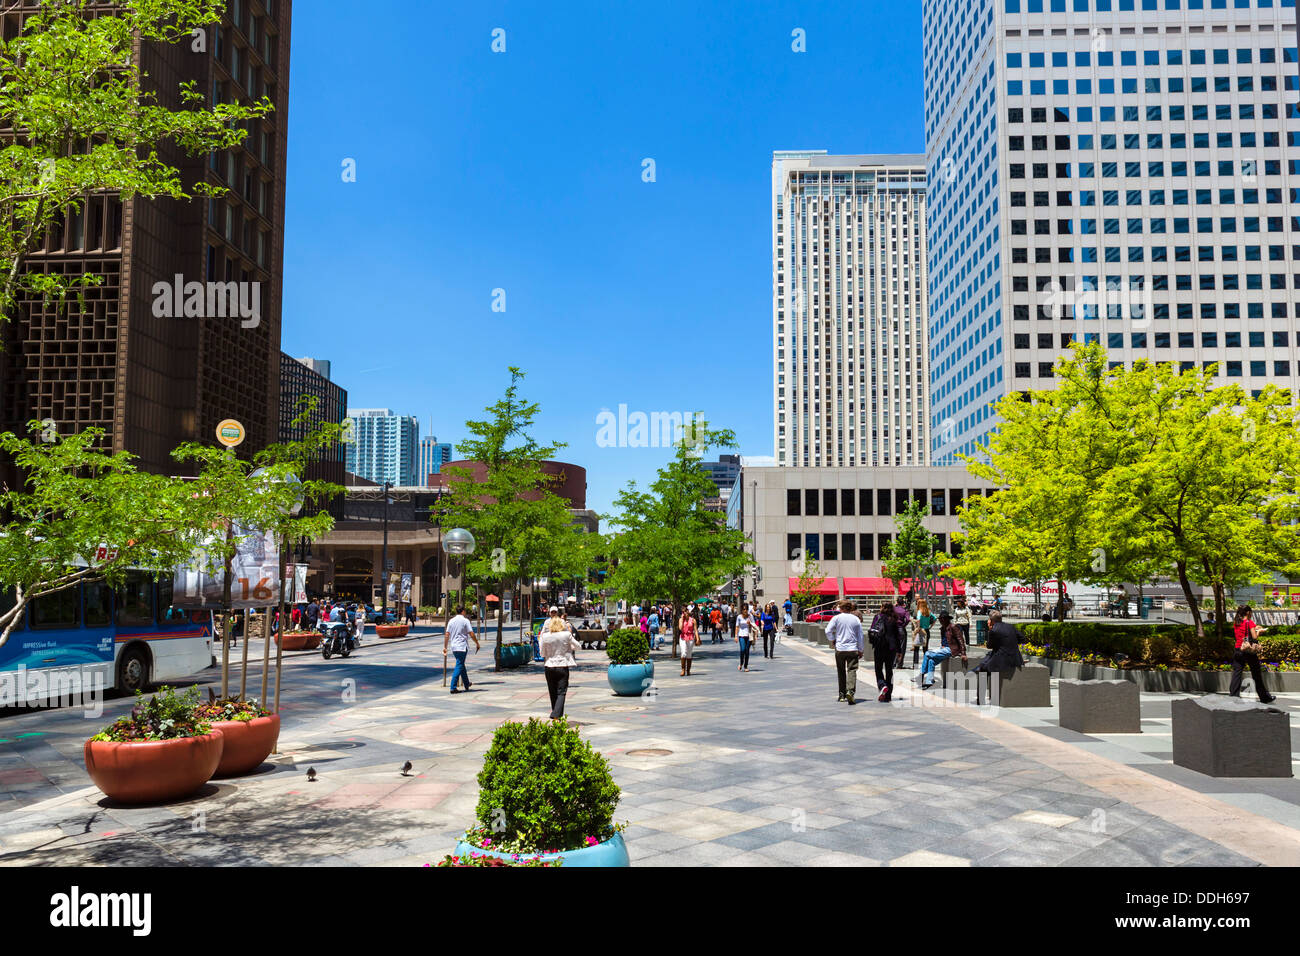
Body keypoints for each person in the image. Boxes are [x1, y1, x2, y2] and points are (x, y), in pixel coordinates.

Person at [1229, 605, 1276, 703]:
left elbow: (1242, 633)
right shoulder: (1249, 622)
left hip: (1238, 649)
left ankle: (1234, 695)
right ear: (1248, 612)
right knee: (1256, 674)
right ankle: (1264, 697)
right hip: (1248, 651)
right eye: (1251, 612)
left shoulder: (1236, 622)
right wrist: (1259, 632)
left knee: (1237, 673)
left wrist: (1255, 628)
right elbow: (1254, 637)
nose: (1252, 614)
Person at [541, 615, 581, 719]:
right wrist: (569, 647)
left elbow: (542, 653)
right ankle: (556, 714)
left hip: (549, 665)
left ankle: (557, 716)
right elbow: (578, 646)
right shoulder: (566, 635)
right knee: (561, 692)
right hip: (562, 665)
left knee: (552, 692)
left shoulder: (545, 636)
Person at [827, 600, 865, 704]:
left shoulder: (836, 618)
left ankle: (842, 694)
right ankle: (850, 691)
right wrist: (861, 650)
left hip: (840, 648)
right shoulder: (856, 619)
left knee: (841, 670)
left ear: (842, 608)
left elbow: (828, 630)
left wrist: (833, 639)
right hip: (852, 648)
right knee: (852, 670)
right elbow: (860, 636)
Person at [920, 610, 967, 690]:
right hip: (944, 649)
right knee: (931, 661)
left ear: (946, 619)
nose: (940, 621)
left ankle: (921, 674)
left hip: (952, 649)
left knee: (927, 653)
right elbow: (944, 640)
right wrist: (942, 646)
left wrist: (963, 653)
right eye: (940, 619)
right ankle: (929, 681)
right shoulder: (942, 629)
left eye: (942, 619)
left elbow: (961, 640)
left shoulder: (953, 627)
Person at [869, 603, 904, 702]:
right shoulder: (894, 619)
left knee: (878, 668)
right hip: (891, 648)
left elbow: (872, 630)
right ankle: (888, 695)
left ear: (882, 608)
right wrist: (899, 651)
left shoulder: (878, 617)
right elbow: (897, 636)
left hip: (879, 646)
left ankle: (882, 685)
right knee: (889, 671)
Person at [443, 605, 480, 694]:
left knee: (461, 664)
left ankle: (466, 683)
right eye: (465, 611)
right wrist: (477, 643)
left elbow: (447, 634)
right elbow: (471, 633)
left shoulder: (451, 621)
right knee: (459, 665)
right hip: (462, 647)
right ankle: (453, 687)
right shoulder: (465, 621)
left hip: (454, 647)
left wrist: (445, 647)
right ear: (463, 611)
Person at [915, 598, 935, 667]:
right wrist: (930, 627)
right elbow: (935, 619)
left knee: (916, 648)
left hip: (920, 630)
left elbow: (918, 619)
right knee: (925, 648)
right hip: (927, 630)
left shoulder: (919, 611)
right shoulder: (928, 612)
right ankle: (925, 663)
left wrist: (918, 627)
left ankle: (916, 664)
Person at [678, 607, 697, 676]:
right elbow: (680, 628)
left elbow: (695, 630)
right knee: (683, 653)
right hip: (683, 637)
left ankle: (688, 670)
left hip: (691, 637)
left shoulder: (693, 620)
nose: (684, 613)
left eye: (686, 611)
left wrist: (697, 638)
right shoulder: (680, 620)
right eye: (683, 612)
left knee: (689, 654)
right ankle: (683, 669)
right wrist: (683, 620)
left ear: (688, 612)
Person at [735, 604, 755, 671]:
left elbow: (754, 625)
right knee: (742, 650)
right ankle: (741, 663)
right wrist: (736, 636)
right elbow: (737, 627)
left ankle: (746, 666)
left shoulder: (750, 616)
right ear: (742, 610)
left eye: (746, 609)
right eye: (743, 609)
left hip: (749, 635)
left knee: (747, 651)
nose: (745, 610)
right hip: (741, 635)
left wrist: (750, 624)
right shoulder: (739, 617)